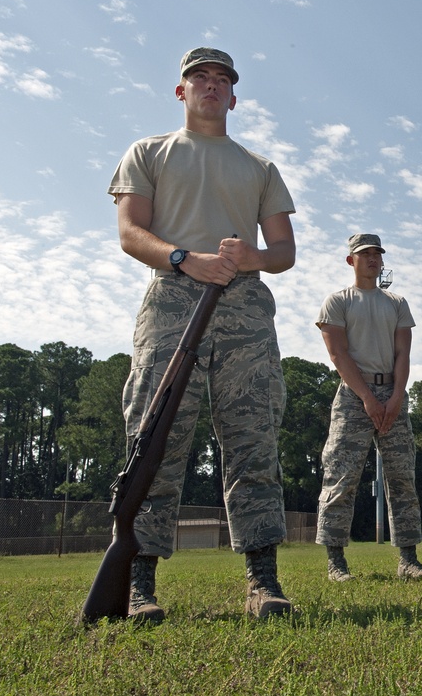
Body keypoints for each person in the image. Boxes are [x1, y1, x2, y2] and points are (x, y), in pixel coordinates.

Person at [108, 47, 297, 620]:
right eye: (199, 78)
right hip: (171, 300)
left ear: (234, 97)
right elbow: (130, 232)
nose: (210, 86)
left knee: (253, 439)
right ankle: (137, 582)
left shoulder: (259, 167)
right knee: (155, 435)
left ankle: (262, 582)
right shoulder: (149, 153)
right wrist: (184, 258)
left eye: (221, 80)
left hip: (243, 308)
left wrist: (252, 259)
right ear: (180, 91)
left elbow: (284, 252)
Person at [314, 233, 422, 582]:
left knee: (402, 477)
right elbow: (338, 354)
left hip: (392, 391)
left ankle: (408, 560)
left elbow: (403, 354)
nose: (373, 259)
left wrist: (396, 396)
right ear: (351, 260)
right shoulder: (337, 301)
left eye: (377, 253)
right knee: (342, 475)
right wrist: (366, 396)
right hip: (353, 395)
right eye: (365, 254)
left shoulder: (396, 302)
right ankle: (336, 562)